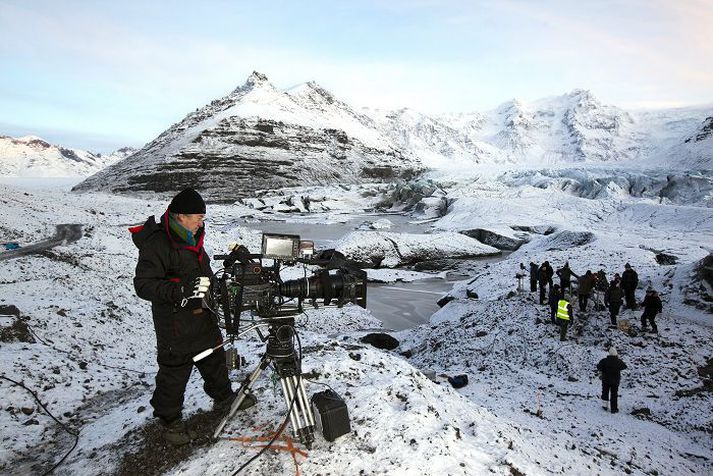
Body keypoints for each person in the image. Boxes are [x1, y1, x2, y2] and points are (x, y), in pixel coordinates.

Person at [130, 188, 255, 445]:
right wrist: (180, 291)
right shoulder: (158, 243)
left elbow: (203, 274)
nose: (202, 222)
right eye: (198, 216)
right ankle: (170, 423)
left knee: (214, 359)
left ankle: (223, 399)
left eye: (202, 217)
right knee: (175, 372)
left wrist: (226, 272)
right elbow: (143, 285)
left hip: (203, 316)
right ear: (181, 216)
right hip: (175, 323)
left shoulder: (192, 237)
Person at [597, 347, 627, 413]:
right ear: (616, 354)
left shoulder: (604, 361)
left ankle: (605, 406)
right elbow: (624, 366)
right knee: (614, 394)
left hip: (606, 380)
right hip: (615, 381)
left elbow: (598, 367)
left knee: (605, 392)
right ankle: (614, 409)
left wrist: (604, 369)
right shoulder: (618, 361)